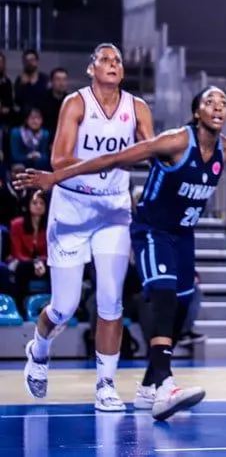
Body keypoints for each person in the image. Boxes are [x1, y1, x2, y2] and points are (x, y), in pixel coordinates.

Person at [16, 86, 226, 421]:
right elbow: (114, 159)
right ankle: (165, 384)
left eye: (224, 102)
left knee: (182, 309)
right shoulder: (176, 142)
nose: (218, 106)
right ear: (197, 113)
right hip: (152, 229)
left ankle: (149, 385)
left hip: (183, 235)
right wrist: (57, 177)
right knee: (163, 296)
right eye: (210, 101)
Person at [19, 44, 153, 412]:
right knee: (65, 306)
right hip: (72, 209)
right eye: (105, 60)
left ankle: (106, 384)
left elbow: (150, 151)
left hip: (113, 211)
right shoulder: (76, 103)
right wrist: (109, 162)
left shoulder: (137, 108)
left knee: (111, 300)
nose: (112, 64)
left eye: (118, 61)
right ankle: (39, 347)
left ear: (122, 73)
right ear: (91, 69)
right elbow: (59, 160)